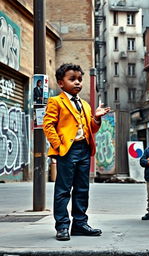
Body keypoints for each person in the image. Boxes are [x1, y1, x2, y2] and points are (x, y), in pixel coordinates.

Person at [43, 63, 110, 241]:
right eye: (72, 79)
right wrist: (59, 146)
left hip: (84, 149)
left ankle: (80, 224)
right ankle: (62, 226)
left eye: (80, 79)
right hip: (67, 150)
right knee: (63, 190)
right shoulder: (56, 101)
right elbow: (48, 125)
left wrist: (96, 117)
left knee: (82, 189)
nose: (77, 83)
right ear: (61, 83)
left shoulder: (86, 105)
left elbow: (92, 129)